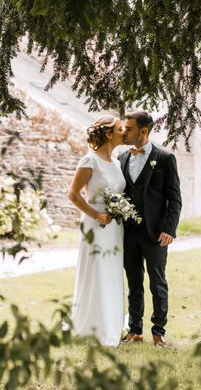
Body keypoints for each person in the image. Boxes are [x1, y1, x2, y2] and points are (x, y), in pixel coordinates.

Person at [119, 110, 182, 348]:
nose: (124, 132)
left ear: (143, 131)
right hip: (128, 232)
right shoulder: (122, 158)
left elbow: (174, 198)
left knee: (157, 282)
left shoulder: (165, 158)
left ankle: (159, 332)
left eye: (129, 129)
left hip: (156, 233)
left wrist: (169, 229)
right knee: (134, 281)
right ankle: (135, 329)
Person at [67, 116, 126, 346]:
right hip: (95, 224)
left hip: (114, 226)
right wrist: (97, 215)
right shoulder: (89, 161)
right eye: (121, 129)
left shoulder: (118, 162)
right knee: (96, 272)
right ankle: (89, 325)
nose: (125, 133)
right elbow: (73, 195)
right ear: (109, 134)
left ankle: (110, 324)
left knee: (111, 272)